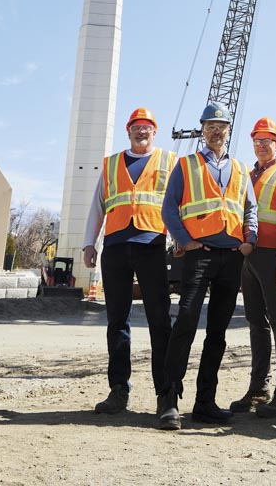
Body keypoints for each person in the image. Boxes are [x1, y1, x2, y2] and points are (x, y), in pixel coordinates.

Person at [156, 101, 258, 429]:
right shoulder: (186, 166)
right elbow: (169, 208)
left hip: (231, 257)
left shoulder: (241, 169)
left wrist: (249, 241)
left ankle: (205, 402)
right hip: (199, 255)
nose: (216, 130)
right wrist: (185, 241)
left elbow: (250, 209)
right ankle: (169, 399)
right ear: (202, 129)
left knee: (218, 332)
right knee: (185, 320)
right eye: (210, 125)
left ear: (229, 130)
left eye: (222, 125)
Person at [83, 107, 175, 416]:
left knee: (160, 321)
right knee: (117, 322)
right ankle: (118, 390)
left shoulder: (169, 161)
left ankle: (167, 395)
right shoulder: (111, 165)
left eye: (146, 127)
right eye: (136, 127)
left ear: (154, 132)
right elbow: (98, 206)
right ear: (128, 131)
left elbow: (179, 202)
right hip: (116, 247)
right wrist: (88, 243)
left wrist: (180, 241)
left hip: (152, 245)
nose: (141, 131)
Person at [230, 116, 276, 418]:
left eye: (267, 140)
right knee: (257, 323)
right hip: (249, 257)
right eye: (257, 140)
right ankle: (259, 389)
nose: (261, 145)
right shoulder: (246, 174)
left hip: (274, 257)